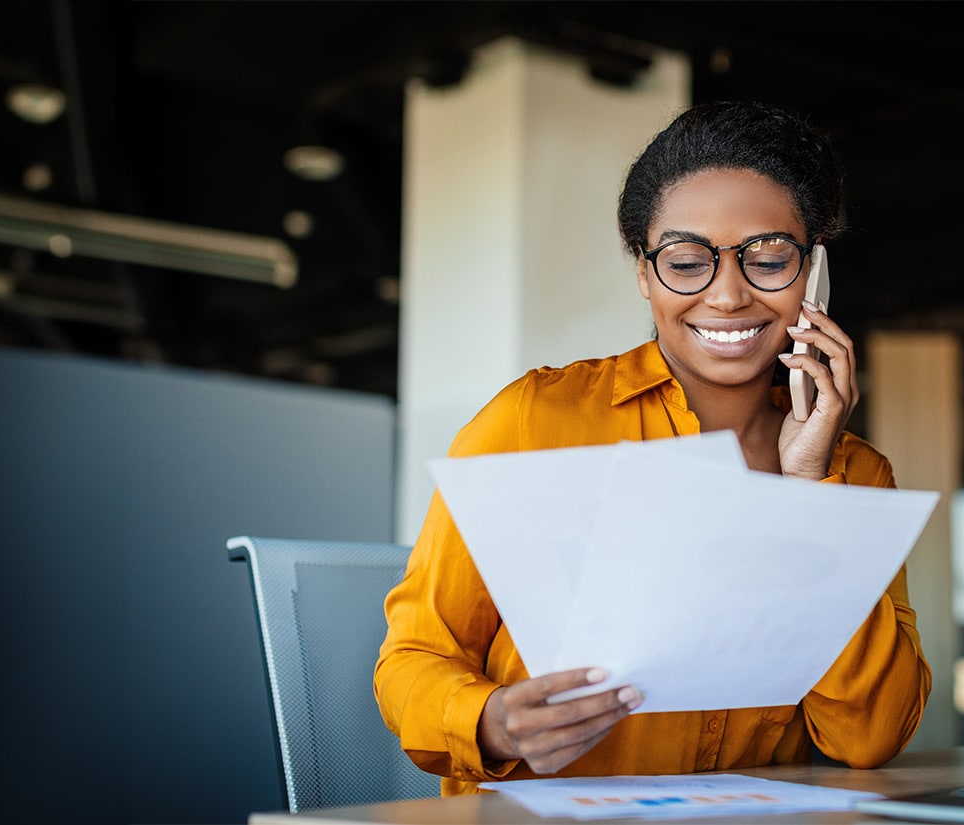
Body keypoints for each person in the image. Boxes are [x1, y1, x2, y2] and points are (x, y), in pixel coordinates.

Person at [372, 99, 930, 795]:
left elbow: (868, 736)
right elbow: (415, 656)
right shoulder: (530, 423)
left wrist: (808, 491)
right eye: (688, 260)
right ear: (643, 273)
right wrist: (492, 721)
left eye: (768, 257)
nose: (727, 295)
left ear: (813, 272)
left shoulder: (855, 474)